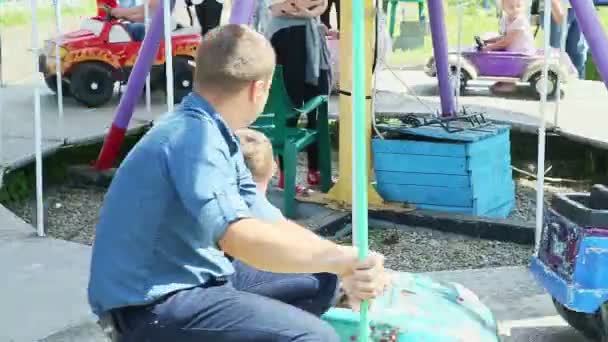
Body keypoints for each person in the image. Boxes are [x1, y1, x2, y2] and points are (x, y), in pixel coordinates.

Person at [88, 24, 389, 342]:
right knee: (317, 338)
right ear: (258, 89)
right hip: (149, 307)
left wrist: (344, 260)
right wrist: (337, 259)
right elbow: (238, 238)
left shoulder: (209, 130)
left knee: (323, 280)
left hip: (180, 280)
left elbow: (268, 220)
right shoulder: (195, 139)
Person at [267, 0, 332, 192]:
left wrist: (309, 11)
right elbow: (280, 7)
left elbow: (323, 3)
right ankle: (286, 177)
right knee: (290, 107)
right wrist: (310, 7)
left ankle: (315, 170)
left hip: (312, 38)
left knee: (318, 107)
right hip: (286, 38)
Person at [482, 0, 535, 93]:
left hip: (523, 53)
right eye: (511, 7)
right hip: (513, 50)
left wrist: (489, 47)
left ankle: (510, 83)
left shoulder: (520, 21)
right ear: (503, 7)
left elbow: (506, 41)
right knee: (500, 54)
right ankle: (503, 79)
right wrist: (488, 41)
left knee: (505, 58)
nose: (515, 9)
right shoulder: (506, 19)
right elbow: (504, 36)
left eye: (518, 6)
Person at [538, 0, 588, 79]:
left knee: (578, 56)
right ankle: (553, 87)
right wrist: (554, 3)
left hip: (579, 7)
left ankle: (578, 87)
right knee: (555, 57)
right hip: (555, 7)